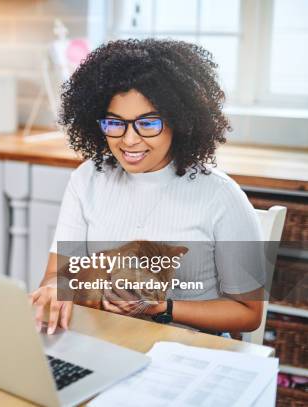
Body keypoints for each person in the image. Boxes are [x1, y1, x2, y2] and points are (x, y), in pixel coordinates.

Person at [30, 39, 265, 335]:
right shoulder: (88, 179)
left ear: (179, 122)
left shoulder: (220, 196)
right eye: (115, 123)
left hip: (182, 355)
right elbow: (56, 275)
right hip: (103, 341)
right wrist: (55, 288)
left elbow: (248, 313)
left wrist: (162, 308)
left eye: (148, 123)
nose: (128, 140)